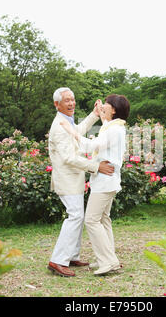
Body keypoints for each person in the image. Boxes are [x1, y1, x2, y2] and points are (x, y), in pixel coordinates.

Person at [47, 87, 115, 277]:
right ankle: (58, 260)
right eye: (67, 100)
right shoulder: (59, 126)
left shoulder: (65, 121)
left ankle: (71, 256)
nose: (71, 103)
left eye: (73, 99)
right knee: (75, 216)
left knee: (77, 214)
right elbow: (69, 158)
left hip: (73, 180)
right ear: (56, 104)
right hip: (67, 180)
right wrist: (96, 166)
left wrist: (94, 115)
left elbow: (78, 131)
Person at [60, 94, 130, 275]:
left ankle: (108, 261)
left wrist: (72, 131)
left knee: (91, 220)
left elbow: (91, 147)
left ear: (114, 109)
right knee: (103, 219)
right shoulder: (114, 127)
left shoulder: (114, 130)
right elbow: (103, 133)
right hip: (107, 182)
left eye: (107, 104)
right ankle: (107, 259)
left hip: (105, 183)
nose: (103, 106)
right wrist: (99, 112)